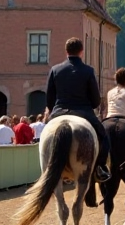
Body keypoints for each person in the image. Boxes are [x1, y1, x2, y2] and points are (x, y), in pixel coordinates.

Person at [46, 37, 112, 182]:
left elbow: (49, 99)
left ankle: (46, 168)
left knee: (45, 137)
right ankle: (100, 167)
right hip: (83, 112)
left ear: (66, 51)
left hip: (59, 111)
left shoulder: (55, 70)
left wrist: (53, 110)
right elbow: (95, 101)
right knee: (103, 136)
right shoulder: (88, 71)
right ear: (81, 52)